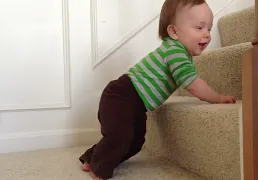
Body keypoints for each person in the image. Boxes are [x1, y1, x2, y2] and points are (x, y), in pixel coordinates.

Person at [79, 0, 236, 179]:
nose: (207, 35)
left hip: (135, 104)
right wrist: (217, 97)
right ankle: (99, 168)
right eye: (200, 28)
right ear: (174, 32)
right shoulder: (174, 51)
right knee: (119, 137)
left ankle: (92, 157)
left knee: (136, 142)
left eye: (209, 28)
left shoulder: (180, 53)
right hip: (122, 96)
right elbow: (192, 83)